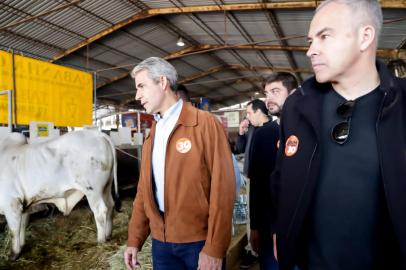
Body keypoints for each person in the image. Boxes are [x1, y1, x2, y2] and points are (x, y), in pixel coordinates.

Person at [271, 1, 406, 270]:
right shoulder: (299, 105)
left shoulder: (402, 104)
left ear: (364, 36)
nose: (311, 51)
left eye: (324, 36)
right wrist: (280, 229)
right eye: (311, 40)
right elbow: (280, 177)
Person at [124, 57, 236, 270]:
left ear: (163, 82)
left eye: (141, 86)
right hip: (161, 245)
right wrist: (134, 239)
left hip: (198, 243)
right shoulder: (152, 133)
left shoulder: (204, 124)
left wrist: (214, 247)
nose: (137, 95)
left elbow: (224, 189)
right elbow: (143, 191)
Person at [248, 72, 298, 270]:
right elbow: (257, 183)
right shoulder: (264, 134)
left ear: (293, 94)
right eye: (266, 93)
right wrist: (254, 226)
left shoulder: (310, 130)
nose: (269, 98)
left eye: (275, 91)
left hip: (301, 227)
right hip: (269, 225)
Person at [234, 99, 269, 269]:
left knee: (260, 216)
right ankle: (254, 250)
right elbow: (239, 149)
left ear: (258, 111)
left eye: (248, 113)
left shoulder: (272, 130)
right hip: (251, 177)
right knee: (251, 216)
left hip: (266, 180)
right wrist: (241, 133)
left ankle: (258, 250)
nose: (246, 117)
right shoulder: (253, 130)